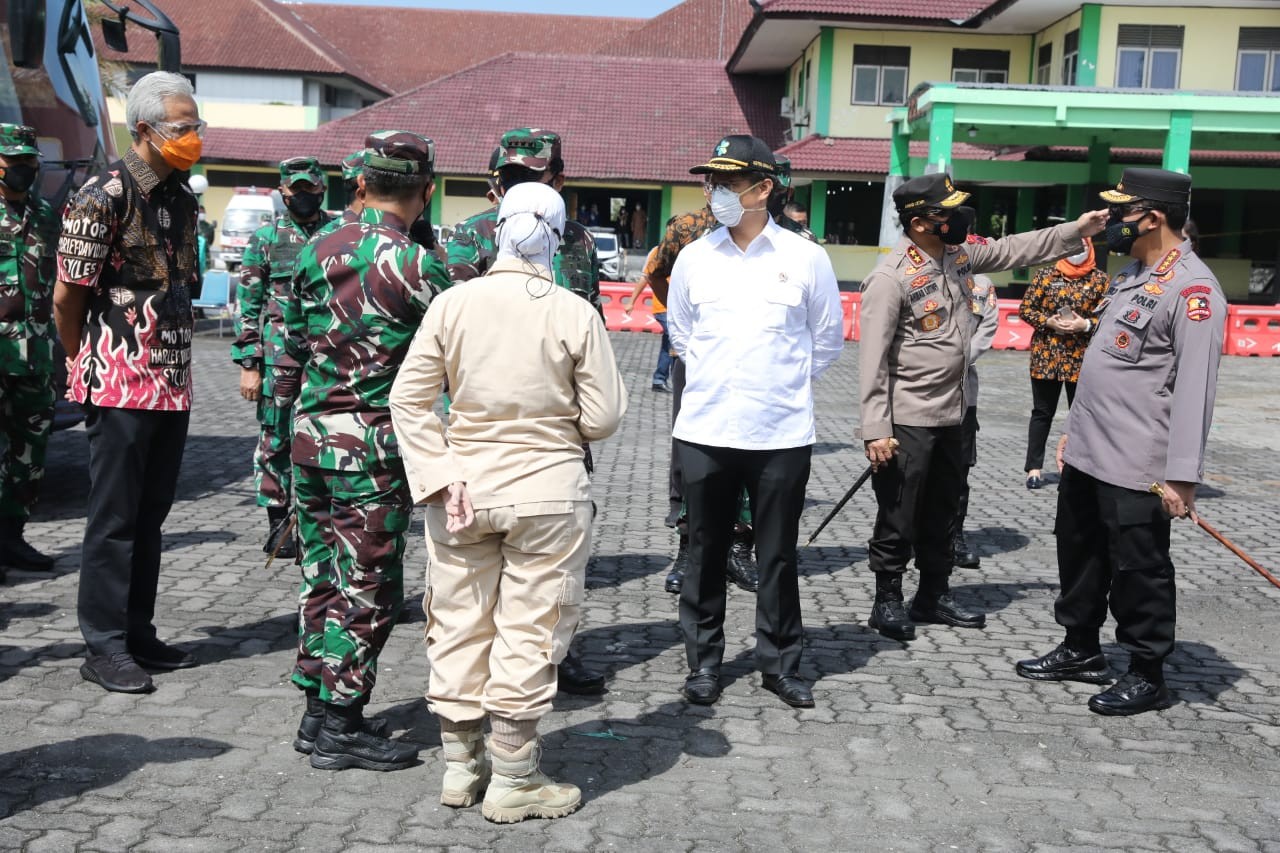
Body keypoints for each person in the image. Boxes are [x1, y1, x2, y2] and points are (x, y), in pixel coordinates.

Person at [390, 181, 627, 823]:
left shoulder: (452, 303)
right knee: (531, 626)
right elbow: (604, 416)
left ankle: (461, 768)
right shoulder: (574, 310)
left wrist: (438, 472)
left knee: (460, 620)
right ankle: (515, 777)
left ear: (497, 231)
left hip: (462, 488)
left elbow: (409, 400)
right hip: (548, 492)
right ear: (555, 236)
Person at [859, 173, 1107, 643]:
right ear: (919, 222)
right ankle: (886, 599)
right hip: (907, 418)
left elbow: (1018, 248)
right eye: (945, 212)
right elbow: (871, 361)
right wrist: (875, 429)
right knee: (899, 512)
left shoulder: (959, 257)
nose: (956, 219)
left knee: (945, 508)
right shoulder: (890, 278)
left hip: (955, 411)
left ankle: (932, 595)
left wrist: (1079, 229)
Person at [1017, 168, 1226, 716]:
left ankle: (1147, 672)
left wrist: (1182, 474)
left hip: (1140, 462)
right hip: (1090, 451)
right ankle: (1081, 647)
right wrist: (1073, 433)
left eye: (1119, 213)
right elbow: (1108, 365)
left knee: (1139, 569)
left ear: (1152, 218)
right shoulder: (1133, 274)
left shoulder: (1194, 290)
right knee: (1079, 552)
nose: (1110, 223)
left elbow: (1195, 390)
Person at [283, 131, 448, 770]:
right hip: (372, 452)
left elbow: (294, 344)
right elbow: (451, 349)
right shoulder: (417, 265)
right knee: (369, 587)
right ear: (425, 190)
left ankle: (316, 711)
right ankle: (342, 725)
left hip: (310, 442)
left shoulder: (312, 249)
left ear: (360, 183)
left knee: (320, 579)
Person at [667, 134, 844, 709]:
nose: (714, 191)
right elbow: (682, 337)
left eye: (727, 182)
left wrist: (776, 383)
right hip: (706, 431)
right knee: (705, 552)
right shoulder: (694, 257)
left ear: (763, 187)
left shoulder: (806, 257)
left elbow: (826, 342)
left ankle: (780, 664)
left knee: (777, 554)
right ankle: (704, 663)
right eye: (711, 181)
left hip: (780, 433)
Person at [53, 72, 203, 693]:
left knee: (150, 517)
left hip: (171, 381)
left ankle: (137, 631)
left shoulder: (183, 198)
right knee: (113, 518)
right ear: (143, 130)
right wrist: (78, 361)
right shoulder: (103, 194)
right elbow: (67, 296)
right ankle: (104, 645)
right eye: (182, 127)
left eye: (197, 126)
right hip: (117, 381)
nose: (194, 137)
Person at [444, 128, 605, 695]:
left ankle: (555, 655)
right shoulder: (469, 237)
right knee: (476, 563)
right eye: (513, 177)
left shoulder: (577, 241)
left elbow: (592, 328)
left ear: (558, 180)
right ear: (495, 183)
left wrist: (582, 418)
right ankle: (484, 668)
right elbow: (450, 335)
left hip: (557, 425)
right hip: (483, 421)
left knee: (557, 559)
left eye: (535, 177)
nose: (524, 187)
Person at [646, 194, 759, 597]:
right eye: (718, 180)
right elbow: (659, 275)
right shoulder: (686, 227)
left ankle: (740, 547)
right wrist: (686, 337)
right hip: (695, 361)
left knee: (753, 456)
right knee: (690, 455)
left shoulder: (796, 241)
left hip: (758, 368)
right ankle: (688, 547)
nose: (723, 188)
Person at [231, 157, 333, 560]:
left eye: (310, 189)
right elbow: (248, 304)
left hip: (327, 361)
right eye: (296, 189)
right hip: (278, 364)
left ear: (322, 190)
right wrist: (249, 364)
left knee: (324, 440)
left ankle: (317, 522)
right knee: (275, 442)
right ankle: (278, 525)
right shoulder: (266, 239)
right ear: (283, 191)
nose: (303, 196)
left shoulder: (337, 234)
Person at [0, 124, 59, 580]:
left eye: (28, 160)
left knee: (30, 447)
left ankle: (11, 536)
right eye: (13, 161)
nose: (23, 168)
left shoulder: (43, 214)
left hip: (35, 352)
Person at [1018, 241, 1109, 489]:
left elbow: (1109, 317)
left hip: (1081, 358)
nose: (1077, 252)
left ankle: (1075, 470)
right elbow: (1026, 308)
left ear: (1090, 248)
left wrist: (1086, 325)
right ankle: (1034, 468)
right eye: (1072, 246)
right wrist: (1048, 322)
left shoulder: (1101, 280)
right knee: (1042, 412)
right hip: (1047, 356)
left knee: (1080, 416)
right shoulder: (1046, 276)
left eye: (1082, 246)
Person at [953, 234, 999, 570]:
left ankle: (953, 536)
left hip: (961, 391)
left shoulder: (980, 283)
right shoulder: (917, 273)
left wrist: (956, 359)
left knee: (958, 470)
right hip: (915, 393)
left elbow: (988, 326)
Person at [626, 246, 672, 391]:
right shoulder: (658, 251)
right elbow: (645, 277)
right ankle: (665, 378)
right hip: (663, 306)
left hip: (677, 307)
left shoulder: (685, 250)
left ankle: (659, 379)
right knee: (675, 340)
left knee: (669, 341)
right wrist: (631, 302)